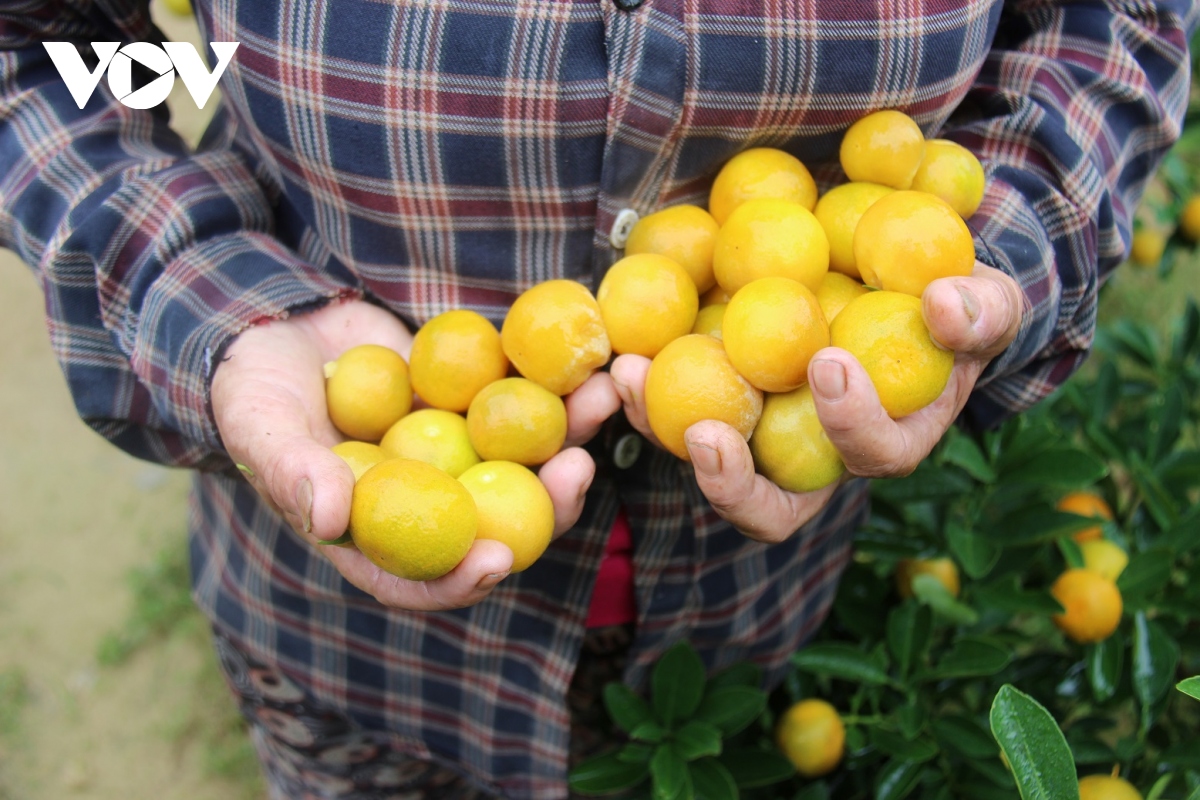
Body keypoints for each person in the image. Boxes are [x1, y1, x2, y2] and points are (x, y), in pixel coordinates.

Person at [1, 1, 1194, 797]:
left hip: (747, 620)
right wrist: (201, 293)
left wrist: (1004, 245)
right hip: (338, 648)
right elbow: (40, 43)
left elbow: (1118, 20)